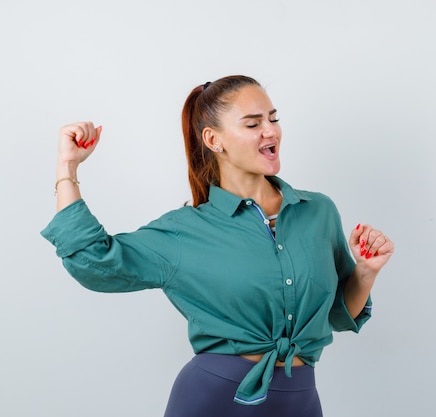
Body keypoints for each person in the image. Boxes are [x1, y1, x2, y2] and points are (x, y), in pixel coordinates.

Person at [42, 75, 394, 417]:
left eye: (273, 119)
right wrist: (67, 166)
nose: (270, 131)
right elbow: (94, 260)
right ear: (214, 139)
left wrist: (365, 272)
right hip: (213, 400)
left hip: (300, 401)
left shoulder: (318, 212)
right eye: (253, 124)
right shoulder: (185, 231)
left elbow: (336, 315)